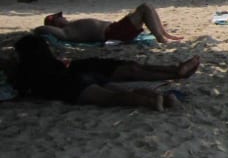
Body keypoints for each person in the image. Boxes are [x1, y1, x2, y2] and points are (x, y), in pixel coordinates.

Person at [10, 34, 195, 110]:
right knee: (119, 91)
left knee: (112, 98)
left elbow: (20, 90)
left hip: (73, 86)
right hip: (81, 75)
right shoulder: (53, 64)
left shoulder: (31, 73)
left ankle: (154, 100)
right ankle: (164, 98)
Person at [34, 4, 183, 43]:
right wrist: (47, 27)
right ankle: (160, 37)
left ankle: (164, 34)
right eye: (59, 17)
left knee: (147, 7)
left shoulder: (69, 27)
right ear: (55, 24)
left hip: (115, 29)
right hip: (112, 33)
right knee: (144, 8)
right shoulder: (66, 32)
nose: (63, 17)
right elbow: (41, 29)